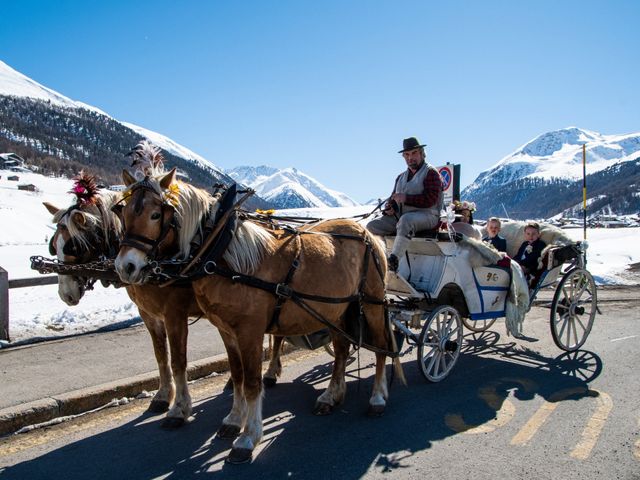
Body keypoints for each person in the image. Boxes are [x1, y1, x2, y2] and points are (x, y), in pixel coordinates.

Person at [367, 137, 444, 272]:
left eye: (414, 153)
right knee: (372, 226)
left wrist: (406, 198)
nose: (410, 158)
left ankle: (394, 260)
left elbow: (430, 200)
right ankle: (381, 258)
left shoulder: (431, 173)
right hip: (403, 217)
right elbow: (394, 200)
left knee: (405, 220)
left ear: (421, 153)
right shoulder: (400, 177)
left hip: (428, 216)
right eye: (407, 155)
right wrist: (390, 208)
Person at [514, 221, 547, 286]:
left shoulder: (540, 244)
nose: (531, 236)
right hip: (520, 265)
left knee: (520, 271)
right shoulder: (524, 244)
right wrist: (513, 261)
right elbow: (518, 255)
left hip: (531, 267)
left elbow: (534, 257)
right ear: (525, 234)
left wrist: (522, 264)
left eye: (533, 234)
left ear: (538, 234)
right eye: (528, 234)